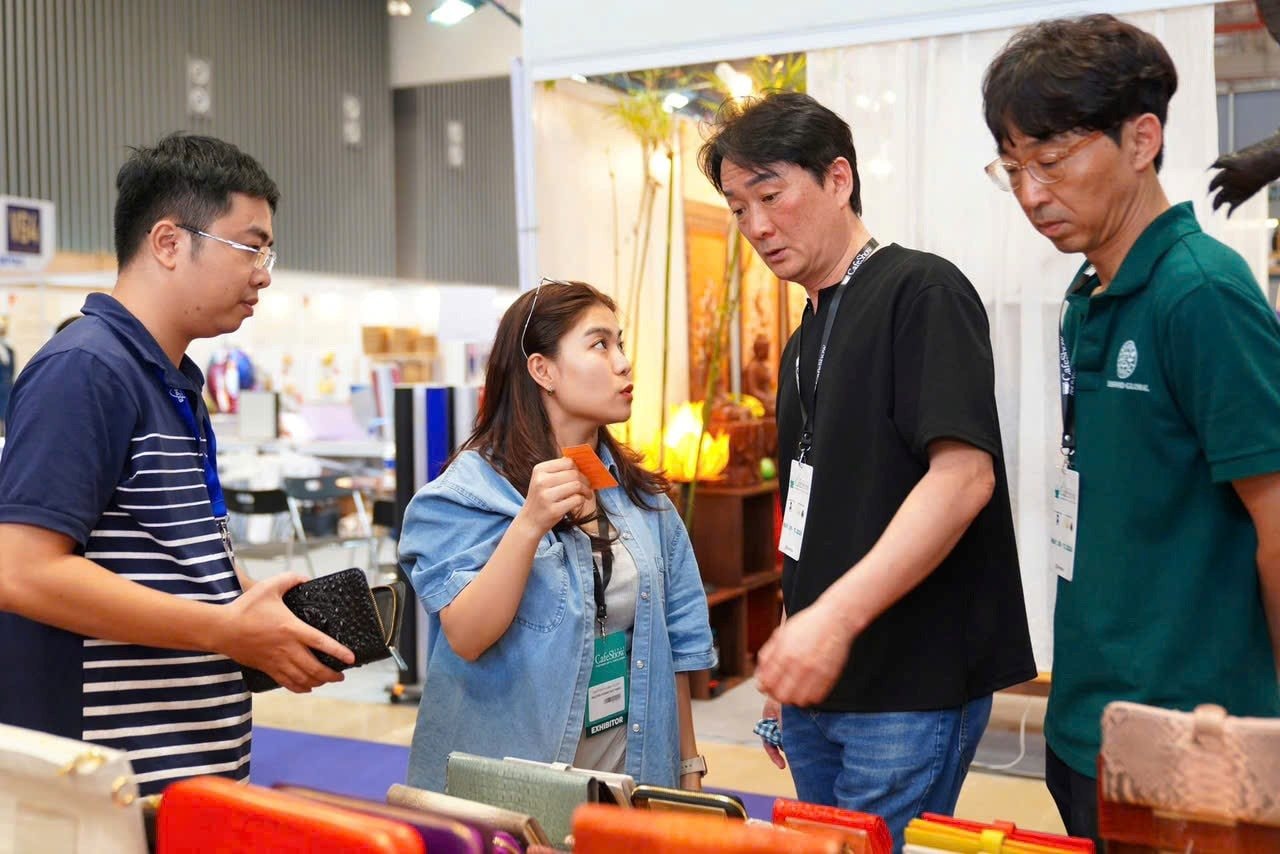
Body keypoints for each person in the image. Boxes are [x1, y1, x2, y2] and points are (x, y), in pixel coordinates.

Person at [698, 92, 1036, 848]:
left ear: (838, 178)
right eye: (738, 208)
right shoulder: (804, 336)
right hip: (819, 684)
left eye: (770, 196)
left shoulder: (921, 291)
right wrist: (793, 649)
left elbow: (964, 478)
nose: (756, 226)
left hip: (908, 681)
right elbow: (810, 513)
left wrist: (830, 623)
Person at [982, 15, 1280, 843]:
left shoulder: (1201, 294)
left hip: (1195, 740)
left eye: (1051, 161)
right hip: (1087, 721)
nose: (1031, 195)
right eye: (1013, 168)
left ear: (1142, 139)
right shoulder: (1087, 297)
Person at [0, 133, 354, 796]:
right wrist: (225, 629)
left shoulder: (173, 382)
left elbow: (173, 555)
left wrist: (254, 608)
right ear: (168, 242)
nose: (264, 273)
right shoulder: (86, 369)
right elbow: (20, 571)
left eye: (268, 252)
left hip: (185, 769)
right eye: (250, 247)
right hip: (108, 781)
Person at [399, 279, 715, 793]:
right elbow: (467, 636)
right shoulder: (470, 492)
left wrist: (687, 770)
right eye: (599, 345)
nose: (623, 364)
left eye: (620, 344)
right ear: (542, 370)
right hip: (512, 792)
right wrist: (529, 525)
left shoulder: (643, 499)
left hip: (627, 779)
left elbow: (679, 640)